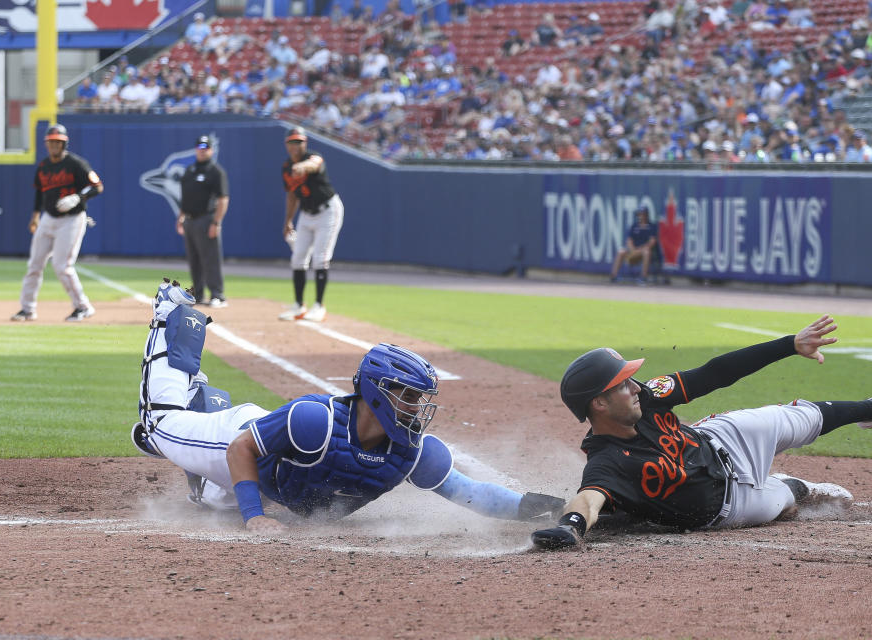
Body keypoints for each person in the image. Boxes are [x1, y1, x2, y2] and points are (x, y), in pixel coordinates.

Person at [132, 279, 566, 534]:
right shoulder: (314, 420)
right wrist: (255, 517)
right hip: (240, 441)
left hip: (279, 475)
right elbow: (241, 450)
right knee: (158, 423)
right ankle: (170, 312)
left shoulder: (411, 451)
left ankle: (203, 446)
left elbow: (470, 493)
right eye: (409, 397)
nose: (418, 410)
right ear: (377, 392)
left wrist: (547, 508)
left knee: (217, 503)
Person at [531, 316, 872, 549]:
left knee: (794, 417)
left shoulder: (647, 398)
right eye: (623, 384)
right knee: (785, 498)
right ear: (598, 404)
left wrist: (789, 344)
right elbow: (588, 499)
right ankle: (792, 484)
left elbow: (716, 373)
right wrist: (569, 527)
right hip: (729, 505)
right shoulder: (606, 462)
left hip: (723, 438)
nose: (635, 386)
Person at [12, 124, 104, 322]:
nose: (54, 145)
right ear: (47, 144)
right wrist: (35, 216)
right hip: (48, 218)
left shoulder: (76, 164)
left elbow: (97, 186)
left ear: (64, 143)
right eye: (51, 142)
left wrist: (79, 197)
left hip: (71, 219)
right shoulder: (44, 166)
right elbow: (39, 192)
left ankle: (83, 306)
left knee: (62, 266)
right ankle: (27, 309)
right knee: (34, 264)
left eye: (58, 142)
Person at [278, 127, 344, 322]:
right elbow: (291, 196)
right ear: (287, 145)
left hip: (328, 211)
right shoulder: (286, 167)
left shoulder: (313, 157)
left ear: (305, 143)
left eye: (299, 142)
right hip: (306, 214)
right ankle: (298, 306)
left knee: (320, 258)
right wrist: (288, 220)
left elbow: (315, 164)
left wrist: (303, 167)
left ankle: (319, 306)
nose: (296, 146)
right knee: (298, 258)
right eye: (292, 142)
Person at [177, 135, 229, 308]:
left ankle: (218, 295)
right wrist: (181, 217)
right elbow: (186, 197)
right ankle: (198, 294)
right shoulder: (190, 170)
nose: (202, 150)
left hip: (206, 219)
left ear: (211, 150)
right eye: (199, 146)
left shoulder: (215, 171)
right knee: (194, 260)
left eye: (206, 147)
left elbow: (223, 199)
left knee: (210, 258)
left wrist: (217, 222)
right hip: (190, 220)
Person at [609, 206, 657, 283]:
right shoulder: (634, 226)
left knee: (647, 252)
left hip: (643, 252)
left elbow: (652, 242)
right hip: (633, 252)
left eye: (642, 214)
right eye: (639, 214)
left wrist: (640, 250)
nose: (641, 216)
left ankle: (643, 277)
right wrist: (633, 250)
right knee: (621, 251)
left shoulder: (651, 226)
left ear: (646, 215)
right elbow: (629, 241)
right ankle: (613, 276)